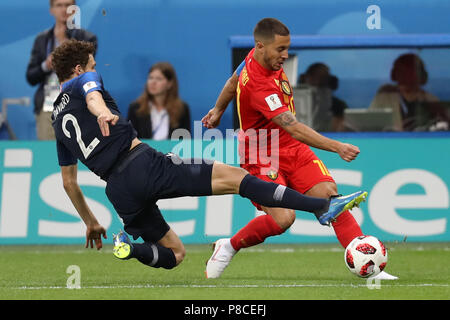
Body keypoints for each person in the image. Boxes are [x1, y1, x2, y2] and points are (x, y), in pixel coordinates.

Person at [50, 39, 367, 271]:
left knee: (174, 254)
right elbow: (92, 95)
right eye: (92, 65)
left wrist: (91, 222)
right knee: (238, 178)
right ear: (78, 69)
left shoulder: (56, 121)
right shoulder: (84, 81)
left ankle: (130, 250)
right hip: (143, 165)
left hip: (118, 191)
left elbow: (69, 183)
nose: (94, 70)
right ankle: (323, 206)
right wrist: (102, 110)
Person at [202, 18, 397, 280]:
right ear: (261, 46)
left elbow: (231, 83)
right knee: (283, 219)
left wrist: (217, 110)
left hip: (290, 146)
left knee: (331, 199)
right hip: (260, 152)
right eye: (280, 50)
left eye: (286, 48)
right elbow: (292, 125)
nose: (285, 55)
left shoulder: (253, 56)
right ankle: (230, 245)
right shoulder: (260, 85)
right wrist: (336, 146)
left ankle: (370, 270)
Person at [26, 0, 97, 140]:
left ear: (75, 9)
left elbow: (86, 70)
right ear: (51, 10)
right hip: (48, 107)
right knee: (49, 153)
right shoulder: (42, 40)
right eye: (59, 5)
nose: (64, 9)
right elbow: (30, 76)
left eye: (68, 5)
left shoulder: (87, 38)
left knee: (78, 150)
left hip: (77, 103)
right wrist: (46, 65)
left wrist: (65, 41)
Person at [369, 53, 449, 131]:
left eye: (410, 73)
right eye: (401, 72)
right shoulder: (385, 95)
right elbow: (370, 121)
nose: (406, 77)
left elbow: (444, 122)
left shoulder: (429, 99)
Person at [127, 62, 191, 140]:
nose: (153, 82)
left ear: (169, 84)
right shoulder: (136, 108)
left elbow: (184, 141)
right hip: (144, 152)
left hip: (171, 151)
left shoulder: (182, 108)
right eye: (150, 78)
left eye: (159, 79)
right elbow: (130, 139)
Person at [298, 63, 348, 132]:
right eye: (314, 77)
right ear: (305, 78)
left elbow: (340, 128)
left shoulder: (338, 105)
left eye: (322, 78)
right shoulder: (291, 102)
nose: (317, 81)